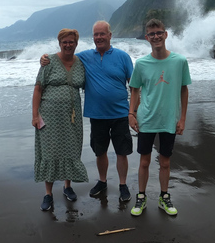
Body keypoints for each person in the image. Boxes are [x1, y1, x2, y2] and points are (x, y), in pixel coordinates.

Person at [41, 21, 134, 202]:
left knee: (122, 152)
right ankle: (102, 181)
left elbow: (134, 86)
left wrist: (133, 111)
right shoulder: (84, 57)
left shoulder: (123, 57)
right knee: (100, 152)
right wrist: (45, 58)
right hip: (97, 114)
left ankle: (123, 185)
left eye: (102, 34)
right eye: (95, 34)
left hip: (121, 114)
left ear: (110, 35)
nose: (98, 37)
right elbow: (64, 57)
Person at [128, 19, 191, 217]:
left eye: (159, 33)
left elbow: (184, 89)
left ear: (165, 34)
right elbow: (135, 89)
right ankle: (141, 197)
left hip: (168, 120)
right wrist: (131, 113)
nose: (156, 36)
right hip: (147, 119)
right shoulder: (141, 63)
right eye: (152, 34)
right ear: (146, 38)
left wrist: (182, 118)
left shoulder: (180, 61)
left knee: (165, 162)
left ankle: (164, 197)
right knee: (144, 162)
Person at [32, 29, 89, 211]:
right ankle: (48, 194)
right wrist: (35, 115)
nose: (68, 45)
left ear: (76, 43)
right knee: (50, 151)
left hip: (72, 118)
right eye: (64, 42)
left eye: (71, 42)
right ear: (59, 43)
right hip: (49, 117)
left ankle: (67, 186)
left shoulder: (80, 63)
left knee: (70, 148)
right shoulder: (48, 62)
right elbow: (38, 89)